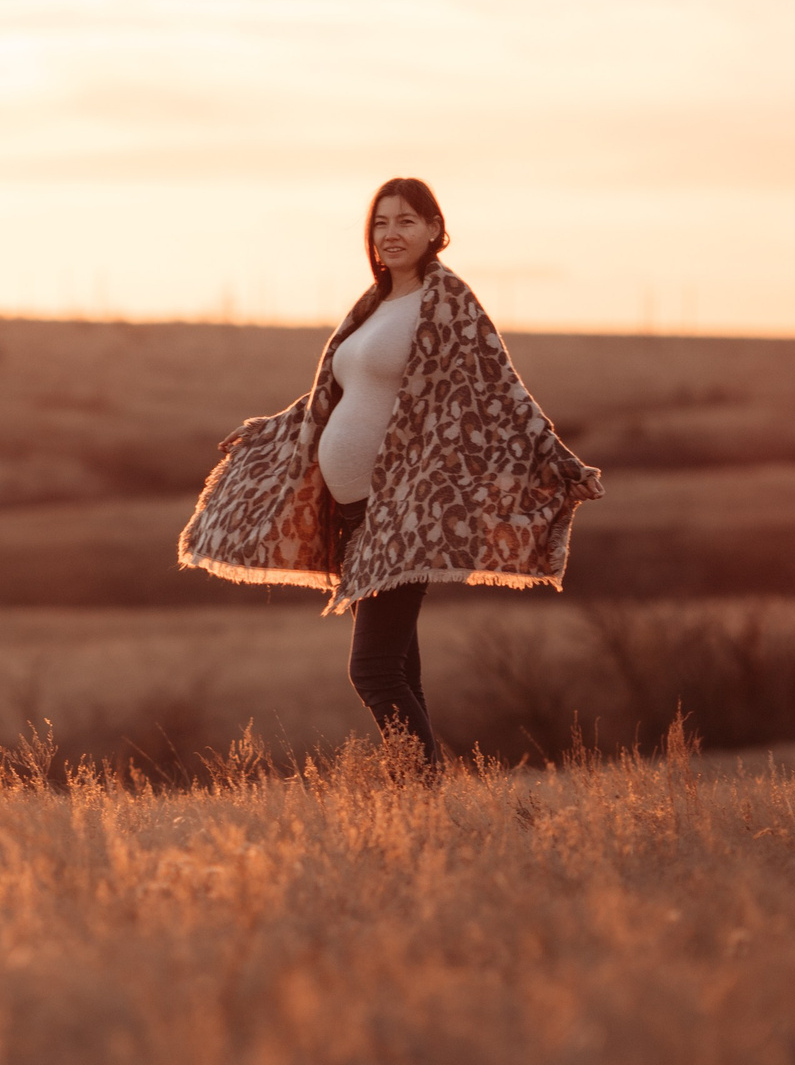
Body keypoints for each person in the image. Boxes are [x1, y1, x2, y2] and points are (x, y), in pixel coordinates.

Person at [178, 177, 603, 767]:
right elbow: (332, 397)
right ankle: (423, 799)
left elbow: (502, 389)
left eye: (406, 221)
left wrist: (558, 459)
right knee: (400, 669)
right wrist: (268, 429)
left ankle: (420, 786)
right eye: (381, 223)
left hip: (402, 510)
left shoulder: (447, 302)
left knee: (372, 670)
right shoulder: (373, 305)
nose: (391, 234)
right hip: (351, 512)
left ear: (434, 229)